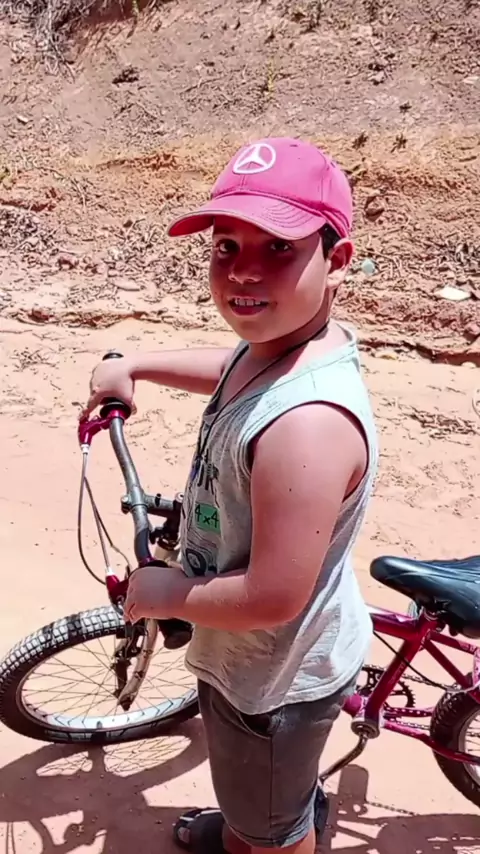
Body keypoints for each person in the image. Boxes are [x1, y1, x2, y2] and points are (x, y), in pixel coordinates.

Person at [83, 137, 378, 854]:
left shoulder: (306, 427)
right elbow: (233, 365)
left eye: (279, 248)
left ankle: (266, 835)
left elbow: (272, 597)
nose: (244, 270)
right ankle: (254, 823)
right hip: (256, 657)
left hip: (272, 677)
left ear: (337, 260)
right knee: (260, 796)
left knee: (272, 822)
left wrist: (166, 593)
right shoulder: (284, 346)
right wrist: (137, 364)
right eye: (226, 246)